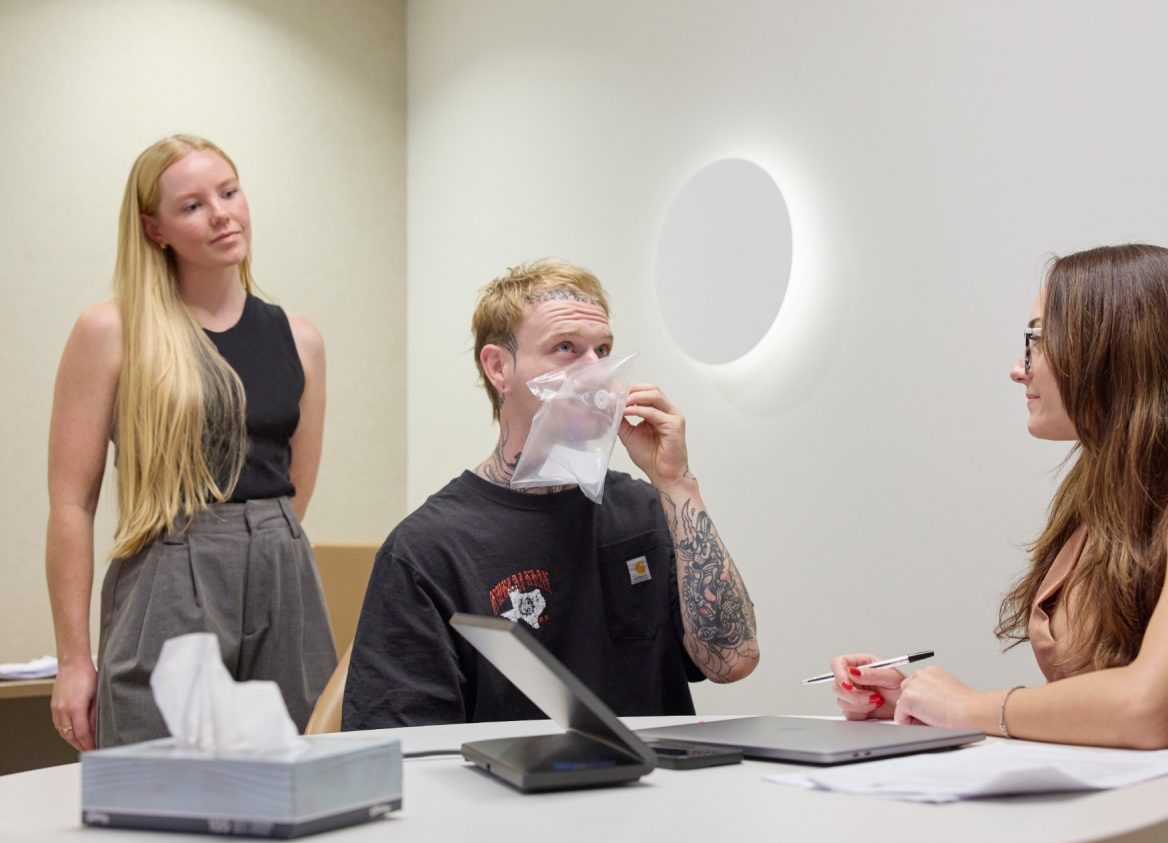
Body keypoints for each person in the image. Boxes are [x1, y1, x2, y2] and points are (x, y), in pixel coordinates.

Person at [831, 244, 1168, 843]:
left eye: (1036, 339)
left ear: (1115, 348)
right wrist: (918, 704)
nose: (1020, 368)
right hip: (1095, 825)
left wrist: (968, 707)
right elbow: (1099, 707)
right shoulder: (1098, 492)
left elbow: (1148, 710)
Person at [343, 259, 759, 729]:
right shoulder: (429, 550)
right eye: (566, 348)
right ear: (499, 368)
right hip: (509, 797)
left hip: (661, 791)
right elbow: (400, 749)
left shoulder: (644, 511)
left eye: (603, 351)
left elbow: (732, 660)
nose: (596, 373)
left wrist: (676, 483)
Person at [46, 135, 338, 750]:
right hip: (170, 565)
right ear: (156, 230)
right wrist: (74, 660)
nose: (223, 213)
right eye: (193, 206)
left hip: (283, 568)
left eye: (229, 192)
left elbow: (295, 488)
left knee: (293, 772)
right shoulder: (111, 331)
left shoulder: (299, 337)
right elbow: (71, 504)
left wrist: (255, 551)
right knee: (156, 782)